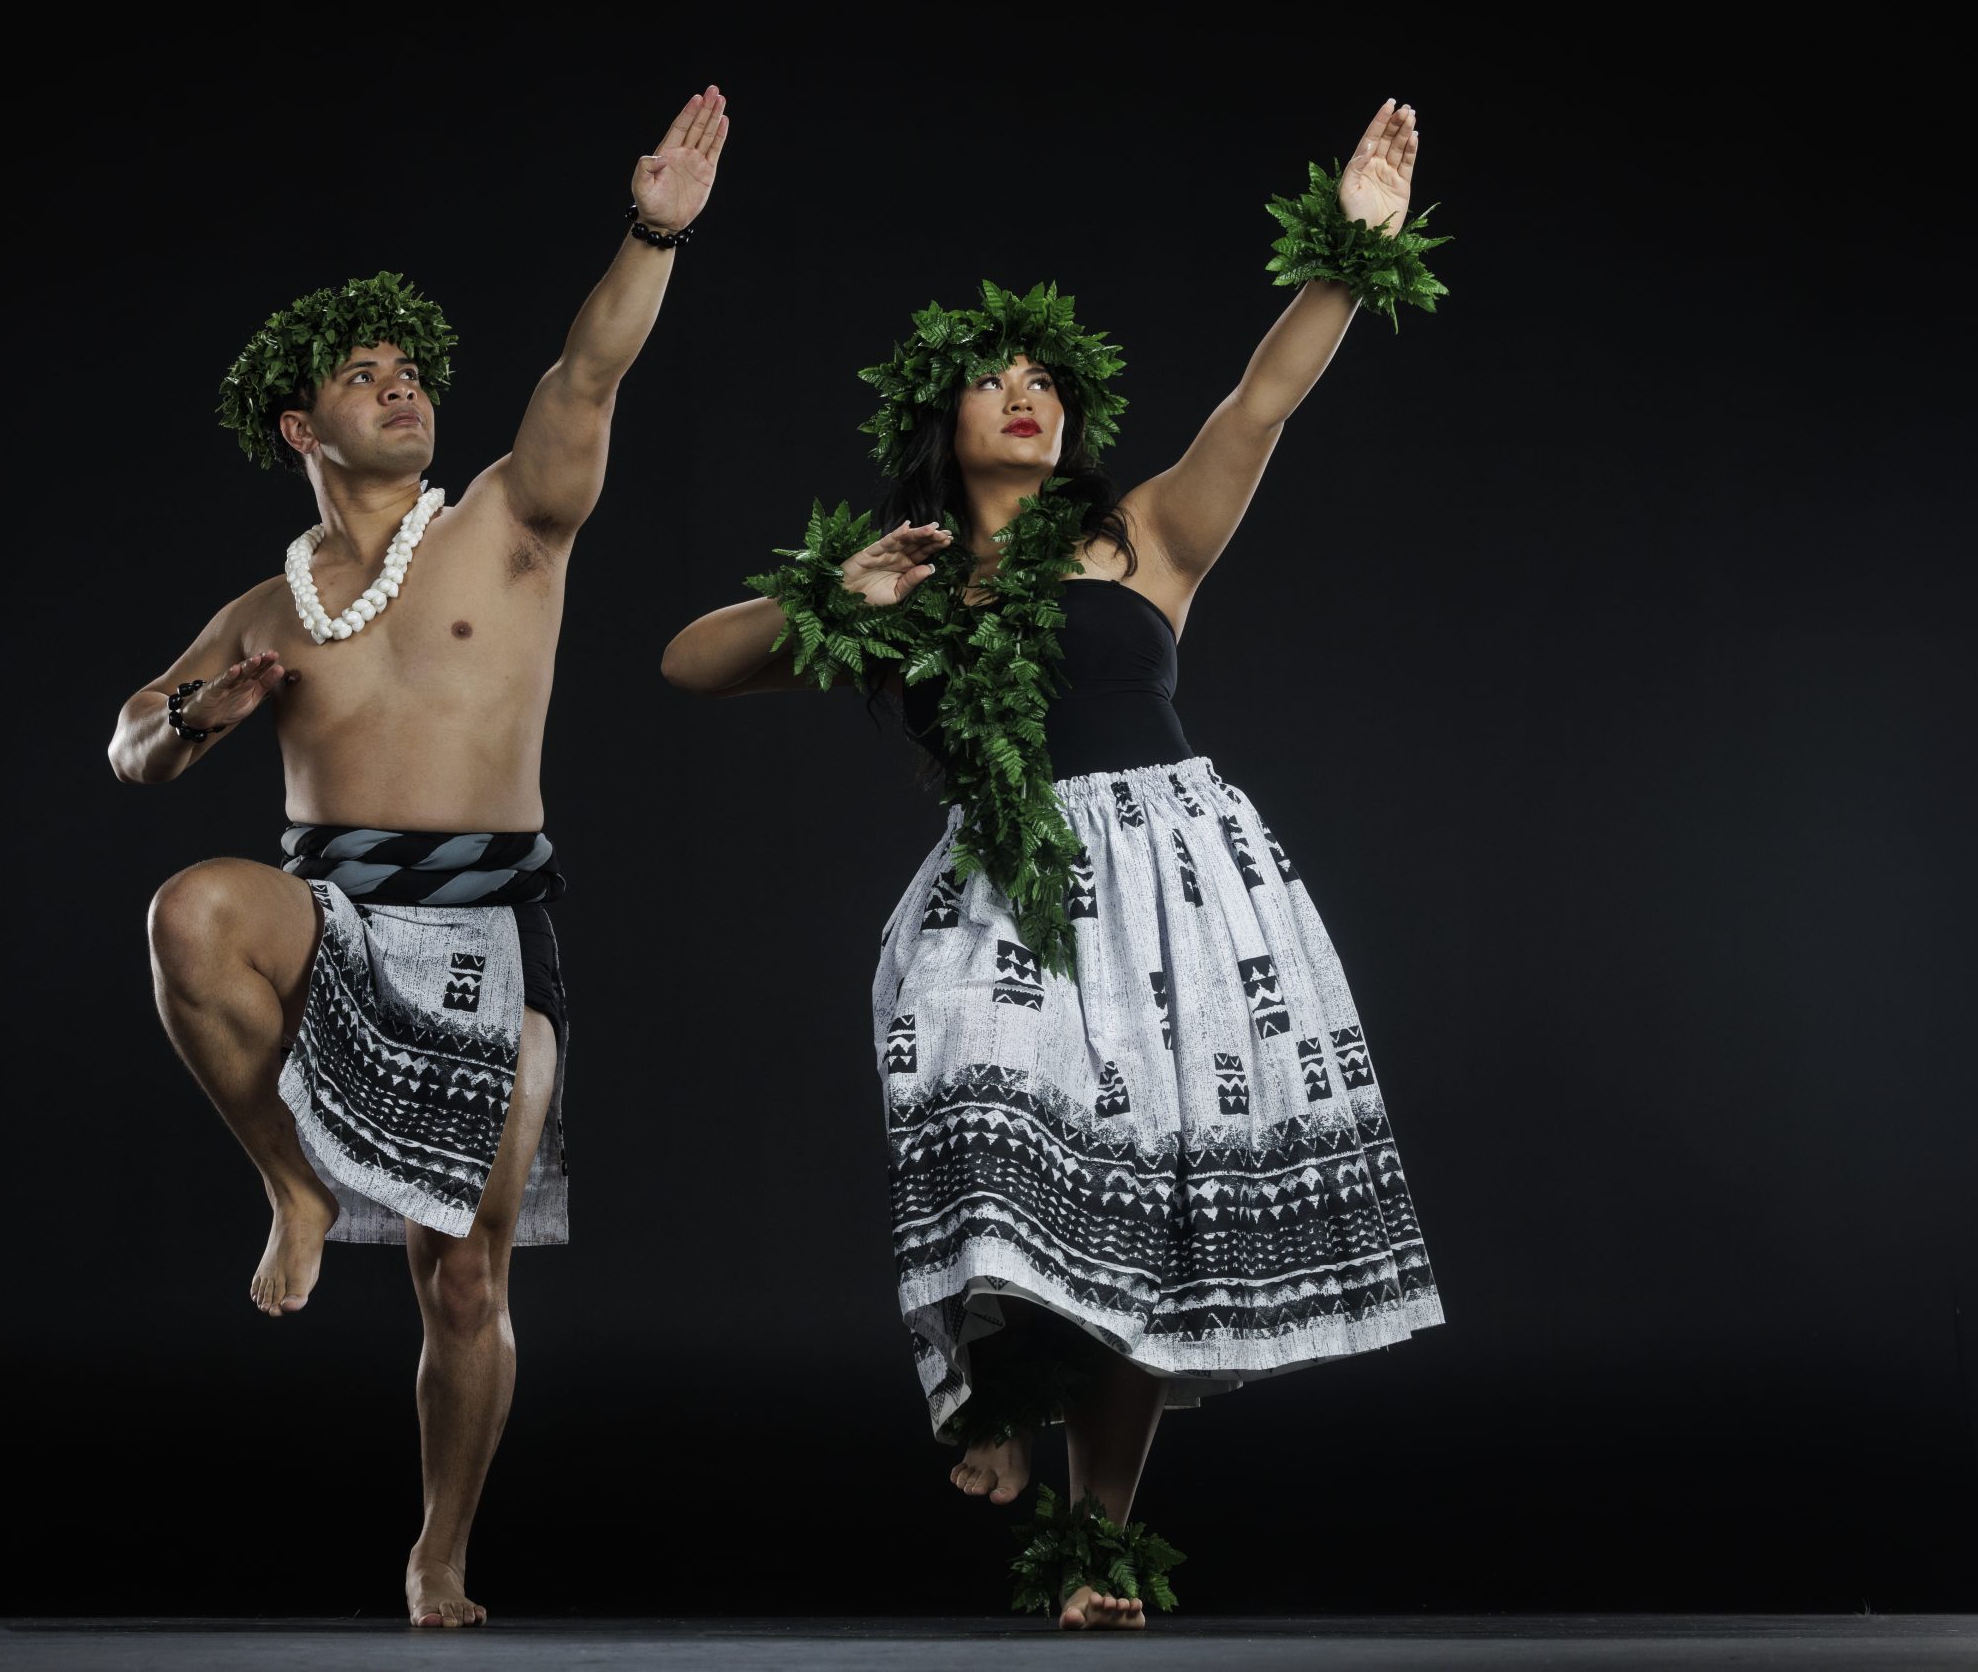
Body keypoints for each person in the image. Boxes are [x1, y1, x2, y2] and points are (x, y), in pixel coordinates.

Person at [661, 100, 1446, 1629]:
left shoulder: (1144, 536)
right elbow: (691, 665)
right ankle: (1004, 1375)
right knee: (973, 1079)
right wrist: (841, 587)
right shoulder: (903, 580)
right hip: (1006, 890)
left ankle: (1095, 1551)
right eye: (991, 380)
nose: (1025, 398)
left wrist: (1351, 250)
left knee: (1150, 1209)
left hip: (1175, 882)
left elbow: (1262, 400)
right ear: (934, 421)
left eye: (1044, 382)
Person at [107, 86, 731, 1629]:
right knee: (189, 913)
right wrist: (209, 705)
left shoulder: (512, 520)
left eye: (410, 371)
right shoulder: (271, 608)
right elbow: (131, 750)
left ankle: (439, 1551)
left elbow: (589, 368)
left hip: (488, 927)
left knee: (465, 1282)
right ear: (301, 428)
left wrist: (652, 227)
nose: (400, 388)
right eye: (362, 377)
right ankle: (295, 1189)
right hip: (331, 910)